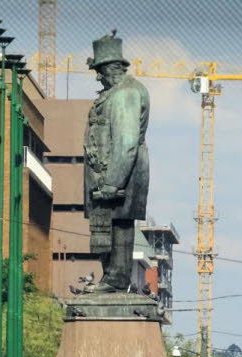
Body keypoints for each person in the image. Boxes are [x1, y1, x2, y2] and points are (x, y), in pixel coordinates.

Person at [83, 30, 150, 292]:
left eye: (99, 70)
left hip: (118, 175)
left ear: (112, 69)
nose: (98, 77)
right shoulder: (117, 93)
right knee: (108, 227)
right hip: (108, 174)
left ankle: (116, 279)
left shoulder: (125, 94)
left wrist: (112, 183)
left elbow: (126, 141)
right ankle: (111, 277)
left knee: (119, 223)